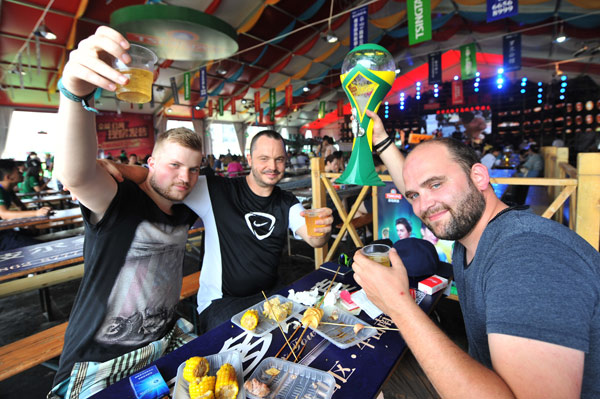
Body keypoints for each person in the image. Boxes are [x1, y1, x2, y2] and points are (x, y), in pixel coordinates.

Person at [352, 109, 600, 398]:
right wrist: (381, 140)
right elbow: (417, 189)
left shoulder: (528, 257)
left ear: (479, 177)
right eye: (415, 196)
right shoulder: (472, 234)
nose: (425, 205)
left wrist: (397, 304)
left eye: (436, 184)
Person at [49, 26, 204, 398]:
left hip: (163, 346)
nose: (184, 177)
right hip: (99, 361)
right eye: (173, 166)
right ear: (151, 161)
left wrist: (144, 173)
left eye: (193, 169)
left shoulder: (185, 208)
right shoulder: (120, 201)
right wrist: (75, 91)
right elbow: (77, 175)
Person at [103, 130, 334, 333]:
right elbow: (160, 178)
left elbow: (314, 240)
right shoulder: (217, 191)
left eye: (279, 159)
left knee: (302, 333)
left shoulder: (287, 202)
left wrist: (321, 230)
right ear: (250, 159)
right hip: (221, 303)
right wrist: (116, 169)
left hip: (270, 296)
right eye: (264, 158)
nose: (272, 167)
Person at [0, 159, 51, 250]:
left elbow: (21, 207)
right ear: (8, 177)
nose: (21, 172)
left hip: (6, 230)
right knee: (43, 248)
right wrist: (36, 213)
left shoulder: (8, 190)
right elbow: (4, 214)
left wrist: (30, 225)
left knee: (35, 234)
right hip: (2, 237)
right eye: (17, 171)